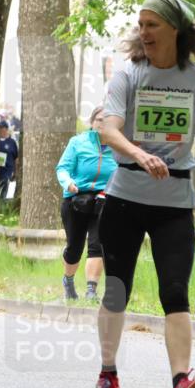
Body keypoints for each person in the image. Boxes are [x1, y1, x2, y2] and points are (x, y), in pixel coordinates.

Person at [94, 0, 195, 388]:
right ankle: (107, 376)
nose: (144, 32)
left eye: (153, 24)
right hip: (125, 198)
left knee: (175, 293)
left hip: (174, 204)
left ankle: (180, 384)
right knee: (116, 291)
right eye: (141, 24)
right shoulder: (128, 76)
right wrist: (140, 155)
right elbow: (108, 129)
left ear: (176, 29)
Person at [55, 105, 116, 302]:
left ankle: (91, 290)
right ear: (92, 122)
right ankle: (69, 280)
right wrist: (68, 183)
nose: (102, 124)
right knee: (75, 246)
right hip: (76, 198)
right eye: (99, 119)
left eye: (107, 120)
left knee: (97, 244)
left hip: (103, 199)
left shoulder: (118, 145)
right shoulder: (78, 142)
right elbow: (62, 168)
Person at [0, 120, 18, 199]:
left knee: (3, 190)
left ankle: (2, 207)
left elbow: (16, 158)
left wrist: (15, 172)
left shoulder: (12, 142)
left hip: (7, 171)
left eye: (2, 128)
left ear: (6, 129)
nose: (0, 130)